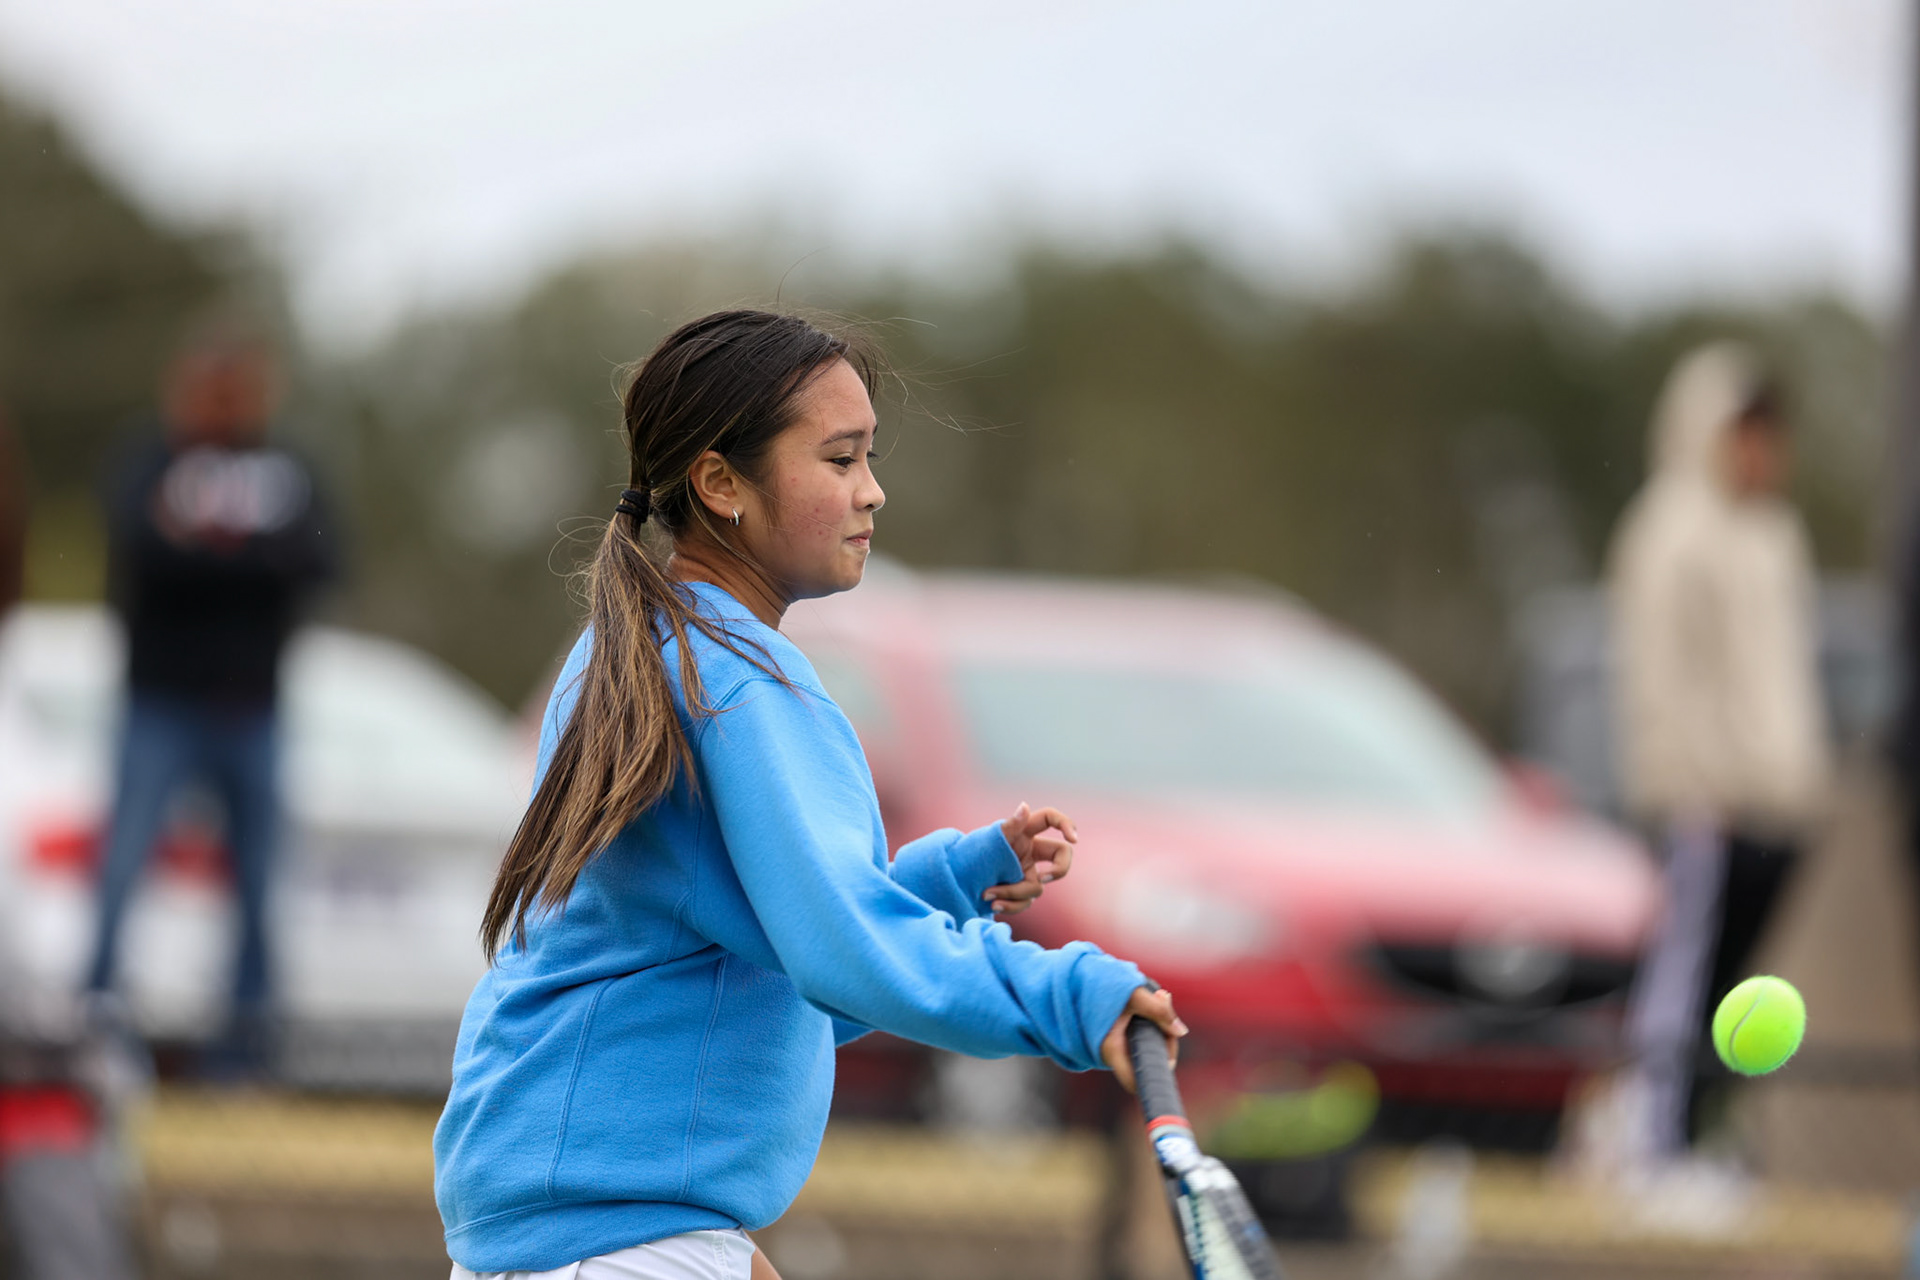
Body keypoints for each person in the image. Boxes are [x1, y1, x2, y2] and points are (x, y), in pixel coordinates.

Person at [432, 310, 1181, 1280]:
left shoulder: (625, 654)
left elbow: (764, 956)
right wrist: (1076, 996)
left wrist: (956, 876)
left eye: (868, 456)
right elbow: (840, 951)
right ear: (719, 483)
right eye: (839, 458)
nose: (872, 490)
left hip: (566, 1230)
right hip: (618, 1238)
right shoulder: (741, 682)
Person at [86, 322, 338, 1066]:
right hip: (159, 702)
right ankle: (92, 1026)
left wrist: (206, 552)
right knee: (124, 865)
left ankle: (248, 1048)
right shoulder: (150, 460)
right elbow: (139, 552)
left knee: (258, 881)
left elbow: (321, 561)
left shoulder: (289, 466)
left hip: (252, 706)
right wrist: (247, 561)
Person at [1606, 341, 1830, 1154]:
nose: (1762, 453)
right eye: (1747, 432)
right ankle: (1649, 1151)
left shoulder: (1772, 538)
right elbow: (1662, 683)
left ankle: (1703, 1144)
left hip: (1774, 806)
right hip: (1707, 806)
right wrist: (1698, 786)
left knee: (1737, 991)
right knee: (1682, 985)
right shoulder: (1670, 534)